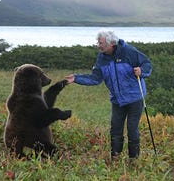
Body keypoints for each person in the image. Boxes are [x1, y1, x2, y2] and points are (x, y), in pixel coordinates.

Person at [65, 29, 152, 160]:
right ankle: (115, 157)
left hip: (135, 97)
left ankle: (134, 160)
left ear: (111, 43)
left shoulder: (129, 51)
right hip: (117, 100)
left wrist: (141, 71)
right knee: (115, 129)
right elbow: (95, 78)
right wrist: (76, 78)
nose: (98, 45)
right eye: (98, 43)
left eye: (100, 43)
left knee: (132, 129)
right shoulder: (102, 58)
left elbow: (147, 64)